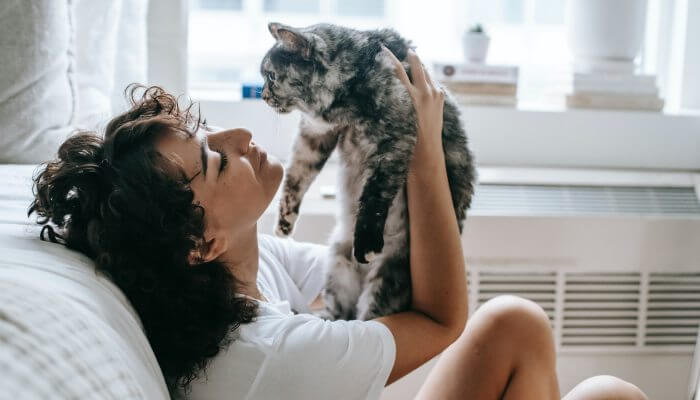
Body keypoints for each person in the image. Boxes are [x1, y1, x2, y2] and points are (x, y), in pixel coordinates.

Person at [29, 48, 648, 400]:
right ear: (201, 242)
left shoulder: (240, 273)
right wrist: (421, 147)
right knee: (611, 398)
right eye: (216, 161)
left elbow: (371, 276)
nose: (241, 138)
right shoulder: (273, 356)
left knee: (514, 323)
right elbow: (438, 318)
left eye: (209, 133)